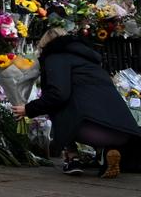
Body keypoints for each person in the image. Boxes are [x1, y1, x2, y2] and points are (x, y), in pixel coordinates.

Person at [15, 26, 141, 179]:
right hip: (124, 132)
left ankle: (72, 158)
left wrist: (28, 109)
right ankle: (106, 154)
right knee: (84, 104)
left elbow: (58, 95)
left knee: (57, 105)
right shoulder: (88, 61)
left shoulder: (55, 58)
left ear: (44, 45)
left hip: (94, 130)